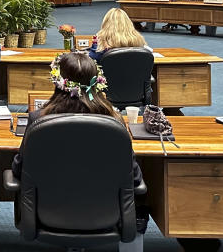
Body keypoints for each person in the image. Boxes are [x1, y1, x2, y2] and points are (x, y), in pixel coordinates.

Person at [10, 51, 145, 193]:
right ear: (96, 81)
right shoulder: (115, 120)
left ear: (57, 82)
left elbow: (19, 170)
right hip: (105, 211)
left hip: (48, 209)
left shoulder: (38, 120)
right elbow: (134, 177)